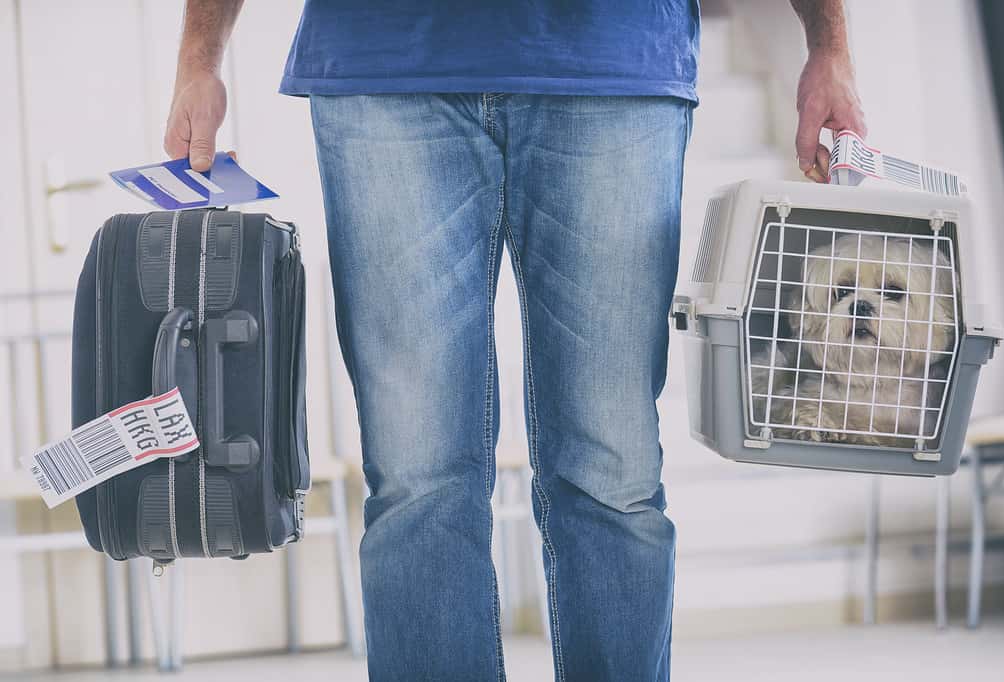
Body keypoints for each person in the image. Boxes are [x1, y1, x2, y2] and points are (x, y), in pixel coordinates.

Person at [165, 2, 865, 680]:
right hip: (383, 58)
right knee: (416, 478)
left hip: (611, 55)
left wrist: (828, 43)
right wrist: (201, 57)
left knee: (610, 471)